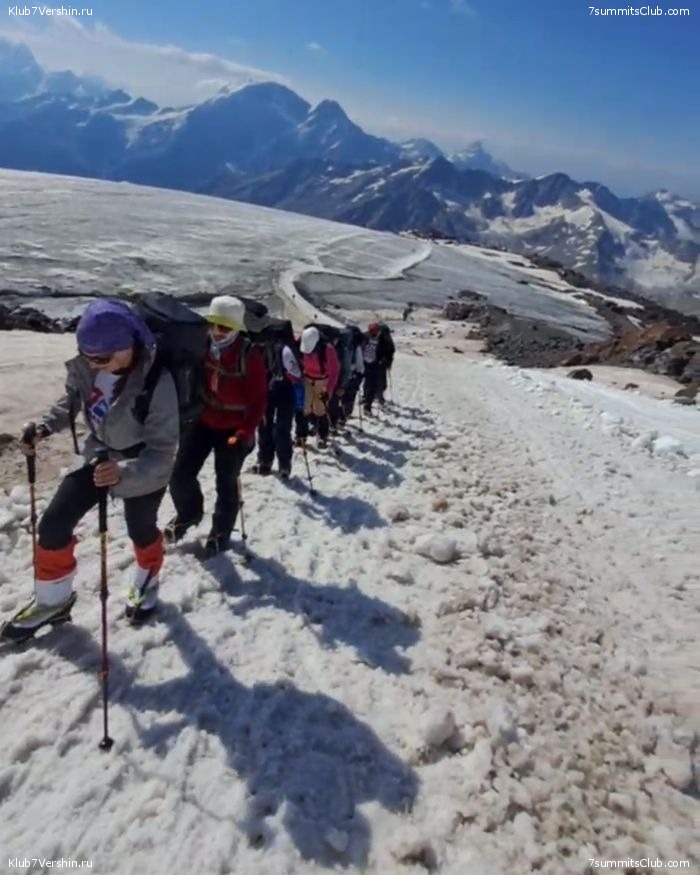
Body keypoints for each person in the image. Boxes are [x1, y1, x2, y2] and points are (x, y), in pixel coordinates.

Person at [4, 299, 179, 639]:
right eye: (86, 356)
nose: (93, 364)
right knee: (53, 524)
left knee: (141, 530)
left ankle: (147, 581)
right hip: (97, 454)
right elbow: (72, 400)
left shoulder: (158, 382)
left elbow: (162, 452)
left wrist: (123, 471)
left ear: (129, 346)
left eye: (101, 358)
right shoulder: (92, 365)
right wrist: (44, 428)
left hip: (141, 465)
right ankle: (53, 602)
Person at [165, 295, 267, 557]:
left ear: (235, 329)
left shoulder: (249, 354)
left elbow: (258, 400)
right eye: (213, 324)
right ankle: (189, 513)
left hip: (234, 427)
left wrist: (246, 432)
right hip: (204, 419)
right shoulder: (202, 345)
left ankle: (221, 531)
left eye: (223, 327)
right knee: (180, 474)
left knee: (226, 481)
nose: (216, 331)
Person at [254, 326, 301, 478]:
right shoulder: (286, 349)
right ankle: (284, 464)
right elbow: (296, 373)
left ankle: (265, 461)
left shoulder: (258, 348)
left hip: (265, 390)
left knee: (264, 425)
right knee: (282, 428)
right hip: (285, 390)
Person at [298, 326, 340, 449]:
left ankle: (323, 435)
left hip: (322, 382)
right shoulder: (302, 341)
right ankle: (301, 435)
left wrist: (328, 391)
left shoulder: (328, 349)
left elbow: (334, 371)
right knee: (304, 408)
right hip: (307, 379)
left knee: (321, 410)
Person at [376, 322, 396, 405]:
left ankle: (378, 396)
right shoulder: (380, 339)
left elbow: (391, 351)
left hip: (382, 363)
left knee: (382, 382)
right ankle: (379, 397)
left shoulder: (384, 339)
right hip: (379, 363)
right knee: (380, 382)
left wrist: (388, 362)